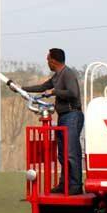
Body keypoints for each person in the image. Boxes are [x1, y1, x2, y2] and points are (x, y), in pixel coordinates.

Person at [7, 48, 84, 195]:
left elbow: (73, 93)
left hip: (72, 115)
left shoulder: (68, 74)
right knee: (62, 153)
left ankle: (76, 186)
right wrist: (20, 89)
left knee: (71, 153)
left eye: (48, 59)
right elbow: (42, 87)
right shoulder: (57, 76)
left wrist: (54, 92)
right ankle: (64, 183)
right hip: (63, 116)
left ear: (54, 61)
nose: (47, 62)